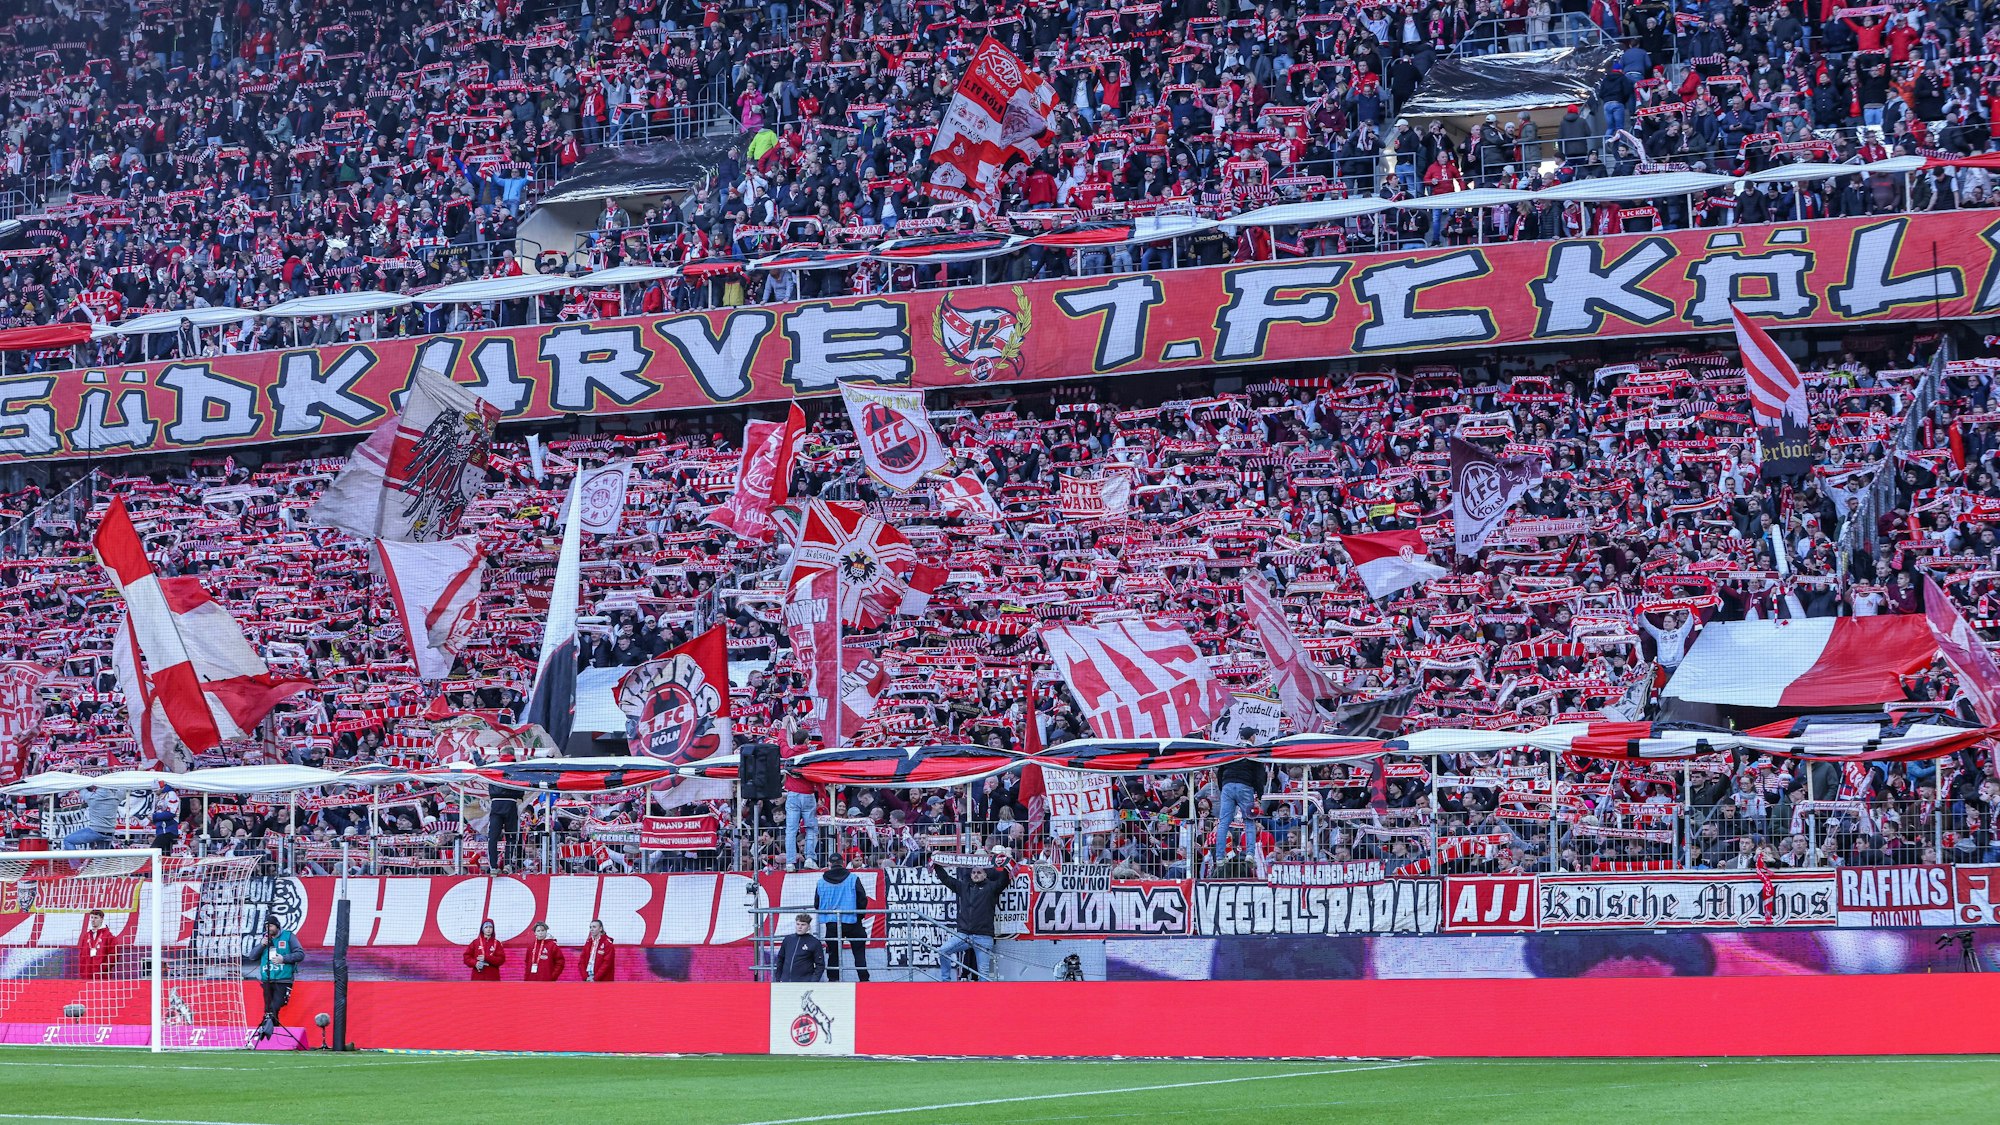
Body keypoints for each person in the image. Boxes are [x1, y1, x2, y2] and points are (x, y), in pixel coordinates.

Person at [929, 850, 1012, 982]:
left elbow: (1004, 879)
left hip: (984, 936)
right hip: (964, 935)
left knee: (983, 974)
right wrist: (937, 865)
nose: (976, 874)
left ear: (985, 874)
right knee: (943, 951)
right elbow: (946, 879)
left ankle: (983, 1000)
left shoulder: (992, 887)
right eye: (973, 872)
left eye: (979, 872)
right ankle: (945, 982)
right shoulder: (964, 887)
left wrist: (1005, 863)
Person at [814, 855, 871, 981]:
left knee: (833, 954)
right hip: (852, 921)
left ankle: (833, 981)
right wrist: (859, 916)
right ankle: (864, 980)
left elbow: (817, 904)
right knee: (859, 954)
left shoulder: (821, 882)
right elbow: (862, 899)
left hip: (832, 923)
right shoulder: (853, 878)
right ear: (843, 863)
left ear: (829, 863)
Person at [252, 917, 303, 1039]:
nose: (268, 929)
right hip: (267, 979)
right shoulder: (265, 940)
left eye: (270, 926)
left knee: (275, 1007)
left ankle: (268, 1034)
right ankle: (273, 1037)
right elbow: (252, 956)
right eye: (266, 927)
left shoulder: (288, 936)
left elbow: (300, 954)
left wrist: (284, 959)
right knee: (268, 1010)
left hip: (283, 979)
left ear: (277, 926)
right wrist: (261, 945)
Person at [772, 913, 826, 982]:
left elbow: (820, 965)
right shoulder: (788, 939)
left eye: (803, 925)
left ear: (808, 926)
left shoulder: (814, 942)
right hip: (785, 981)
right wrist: (778, 978)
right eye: (798, 924)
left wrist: (813, 981)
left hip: (804, 982)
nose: (800, 927)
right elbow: (780, 959)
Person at [486, 780, 523, 871]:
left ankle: (493, 867)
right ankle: (507, 864)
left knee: (492, 837)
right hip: (511, 802)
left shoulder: (493, 769)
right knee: (512, 836)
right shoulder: (513, 770)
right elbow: (521, 790)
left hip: (496, 802)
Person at [76, 909, 116, 979]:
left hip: (101, 975)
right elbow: (82, 954)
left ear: (101, 919)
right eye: (91, 917)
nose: (93, 920)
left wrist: (104, 968)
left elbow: (113, 954)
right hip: (86, 974)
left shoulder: (108, 936)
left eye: (96, 918)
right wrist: (82, 970)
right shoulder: (86, 936)